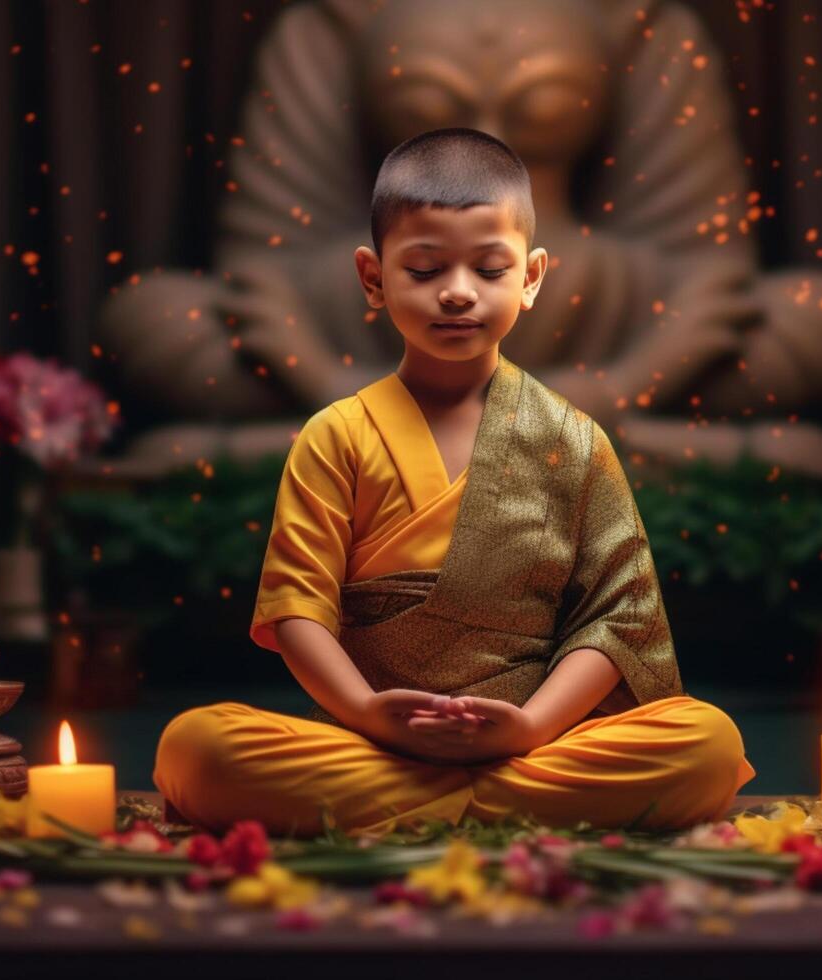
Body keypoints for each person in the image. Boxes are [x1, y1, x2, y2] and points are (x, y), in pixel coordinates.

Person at [154, 127, 756, 837]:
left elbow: (618, 619)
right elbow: (297, 612)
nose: (458, 294)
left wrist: (529, 727)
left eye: (490, 270)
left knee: (708, 745)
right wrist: (370, 713)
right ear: (373, 278)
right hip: (370, 743)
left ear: (531, 277)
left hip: (533, 743)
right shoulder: (336, 436)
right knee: (198, 749)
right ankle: (493, 808)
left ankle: (438, 805)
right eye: (426, 269)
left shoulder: (573, 440)